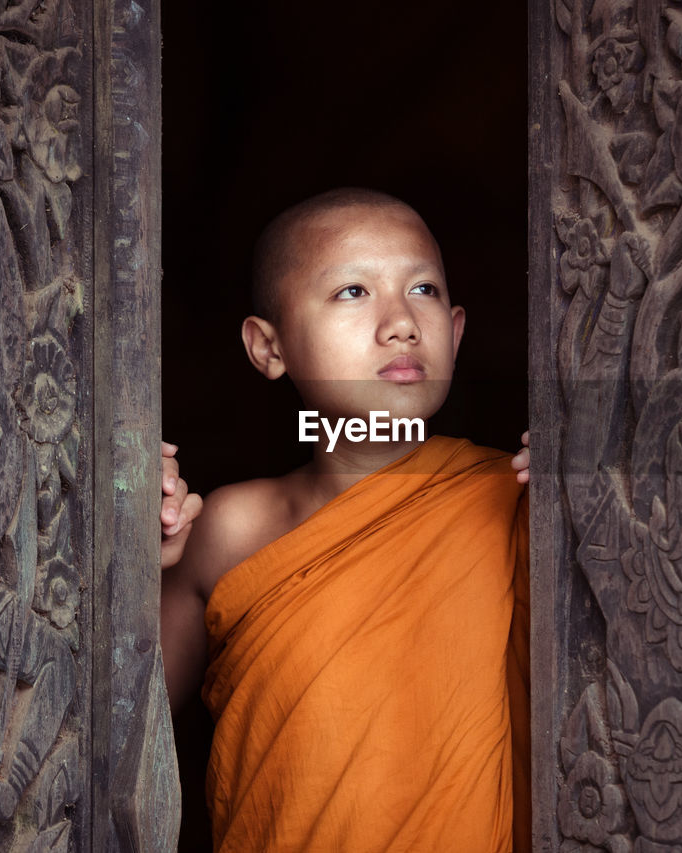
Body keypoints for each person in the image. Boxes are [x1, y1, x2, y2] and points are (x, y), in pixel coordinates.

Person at [156, 188, 531, 852]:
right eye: (353, 292)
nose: (401, 323)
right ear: (267, 348)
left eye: (425, 290)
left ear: (458, 330)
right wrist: (123, 550)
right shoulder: (232, 528)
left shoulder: (511, 495)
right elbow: (117, 716)